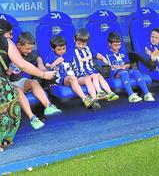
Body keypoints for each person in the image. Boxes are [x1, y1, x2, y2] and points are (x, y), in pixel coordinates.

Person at [0, 19, 55, 151]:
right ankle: (4, 141)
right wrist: (44, 75)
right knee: (9, 110)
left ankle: (47, 106)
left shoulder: (29, 54)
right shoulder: (5, 41)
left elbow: (35, 59)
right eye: (10, 34)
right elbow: (22, 64)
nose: (11, 36)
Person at [8, 32, 62, 129]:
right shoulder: (9, 52)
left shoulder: (28, 54)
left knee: (34, 82)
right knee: (17, 90)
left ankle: (48, 106)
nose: (29, 51)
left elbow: (38, 58)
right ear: (18, 45)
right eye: (27, 48)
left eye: (31, 49)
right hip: (8, 84)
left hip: (20, 81)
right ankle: (32, 118)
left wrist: (40, 64)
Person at [45, 35, 102, 109]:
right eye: (59, 49)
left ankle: (95, 101)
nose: (62, 51)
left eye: (64, 48)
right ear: (53, 49)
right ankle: (85, 98)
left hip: (76, 76)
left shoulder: (70, 53)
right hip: (64, 79)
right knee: (72, 78)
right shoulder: (51, 57)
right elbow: (46, 67)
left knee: (87, 78)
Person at [72, 28, 119, 107]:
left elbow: (97, 55)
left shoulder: (88, 49)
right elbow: (62, 59)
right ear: (74, 40)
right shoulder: (72, 51)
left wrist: (103, 58)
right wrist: (52, 64)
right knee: (89, 78)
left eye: (83, 44)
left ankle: (110, 93)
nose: (81, 46)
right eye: (78, 43)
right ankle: (95, 97)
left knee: (99, 76)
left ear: (87, 42)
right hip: (80, 75)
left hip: (91, 71)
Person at [106, 32, 154, 102]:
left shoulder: (122, 52)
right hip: (115, 73)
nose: (118, 47)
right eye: (115, 45)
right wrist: (118, 67)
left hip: (124, 69)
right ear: (109, 44)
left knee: (135, 71)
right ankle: (131, 95)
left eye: (119, 45)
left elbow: (129, 64)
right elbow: (106, 66)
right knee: (124, 72)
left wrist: (124, 66)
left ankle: (147, 93)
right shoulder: (106, 53)